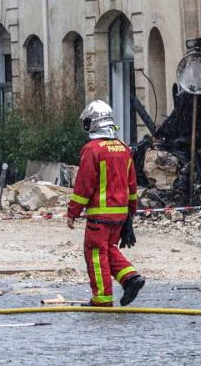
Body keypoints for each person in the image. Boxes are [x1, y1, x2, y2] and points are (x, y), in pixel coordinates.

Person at [66, 100, 145, 307]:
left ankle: (102, 299)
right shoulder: (123, 148)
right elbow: (132, 184)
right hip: (120, 215)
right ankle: (131, 278)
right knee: (108, 249)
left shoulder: (92, 150)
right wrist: (131, 215)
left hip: (99, 216)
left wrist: (73, 212)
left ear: (92, 123)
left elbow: (84, 185)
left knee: (95, 254)